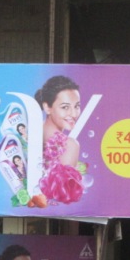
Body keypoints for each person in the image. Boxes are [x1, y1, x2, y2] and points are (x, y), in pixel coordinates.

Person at [34, 75, 85, 204]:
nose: (73, 114)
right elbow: (63, 197)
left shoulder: (29, 131)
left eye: (77, 106)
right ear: (47, 107)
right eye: (65, 107)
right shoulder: (70, 145)